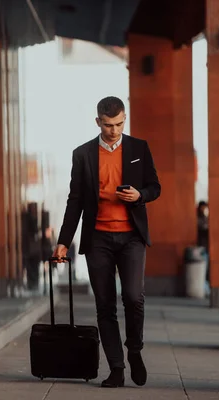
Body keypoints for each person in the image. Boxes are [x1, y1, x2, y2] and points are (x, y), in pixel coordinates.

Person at [52, 96, 161, 388]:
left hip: (132, 237)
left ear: (125, 120)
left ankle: (134, 350)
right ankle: (116, 367)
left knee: (134, 297)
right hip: (98, 237)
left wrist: (140, 195)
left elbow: (155, 187)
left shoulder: (139, 148)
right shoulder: (83, 154)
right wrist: (64, 241)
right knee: (105, 305)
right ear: (98, 121)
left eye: (120, 124)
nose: (115, 130)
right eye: (110, 125)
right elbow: (75, 201)